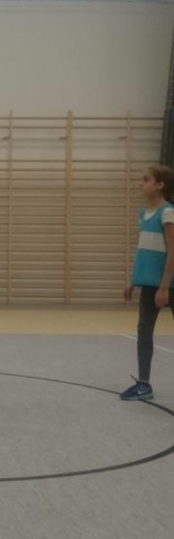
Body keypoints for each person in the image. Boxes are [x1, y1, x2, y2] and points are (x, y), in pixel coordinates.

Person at [121, 165, 174, 401]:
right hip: (149, 285)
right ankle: (144, 384)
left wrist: (164, 286)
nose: (140, 184)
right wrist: (133, 281)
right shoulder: (144, 214)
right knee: (143, 331)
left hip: (167, 284)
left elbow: (173, 251)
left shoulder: (168, 213)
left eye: (146, 180)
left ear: (160, 185)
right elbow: (144, 250)